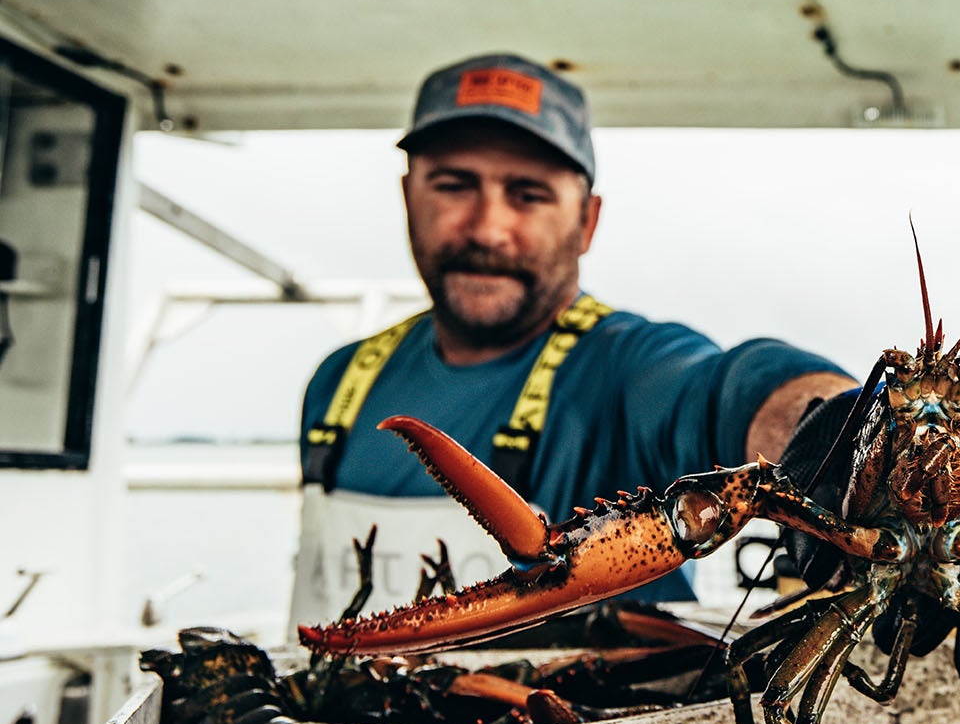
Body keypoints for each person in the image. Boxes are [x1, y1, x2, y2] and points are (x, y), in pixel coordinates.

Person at [292, 53, 857, 625]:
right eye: (454, 185)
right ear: (410, 198)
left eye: (529, 194)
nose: (488, 228)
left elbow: (734, 388)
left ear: (586, 221)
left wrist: (837, 431)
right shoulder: (337, 383)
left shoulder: (629, 367)